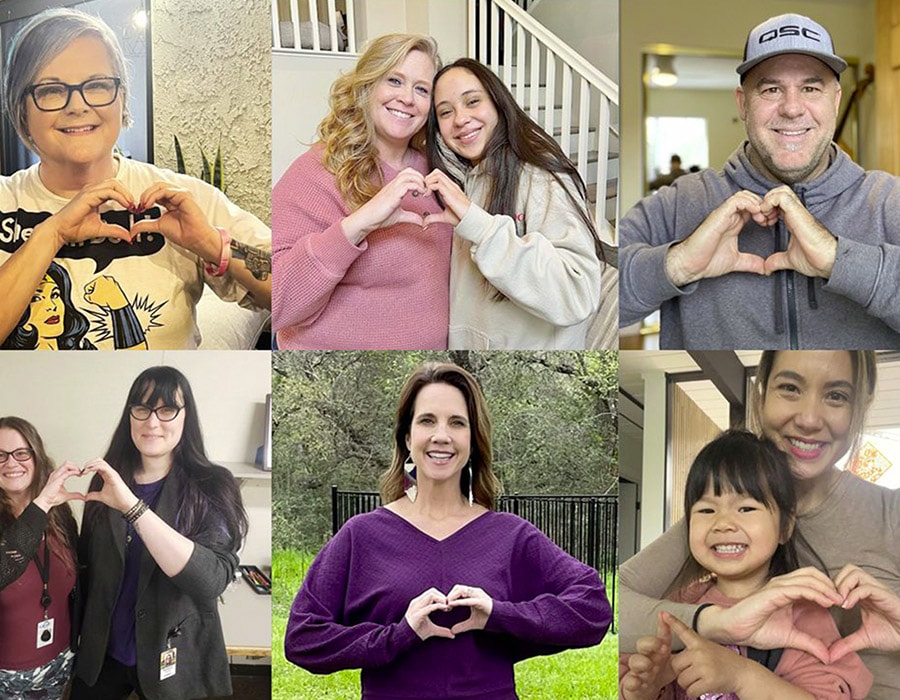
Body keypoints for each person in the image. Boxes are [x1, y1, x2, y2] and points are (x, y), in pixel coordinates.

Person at [285, 362, 611, 698]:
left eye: (457, 423)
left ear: (473, 439)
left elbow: (593, 608)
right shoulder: (361, 536)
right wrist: (398, 634)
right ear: (407, 436)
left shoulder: (510, 536)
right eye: (427, 420)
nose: (441, 435)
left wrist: (498, 615)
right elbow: (303, 638)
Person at [619, 351, 900, 698]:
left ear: (862, 405)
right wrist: (717, 625)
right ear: (761, 393)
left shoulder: (892, 513)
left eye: (836, 395)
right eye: (790, 388)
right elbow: (613, 607)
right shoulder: (716, 526)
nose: (809, 419)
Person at [618, 14, 900, 349]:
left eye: (810, 88)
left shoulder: (889, 201)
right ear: (743, 103)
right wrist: (677, 264)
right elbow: (588, 297)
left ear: (835, 99)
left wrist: (841, 261)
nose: (792, 108)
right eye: (771, 89)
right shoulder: (678, 204)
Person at [0, 8, 271, 351]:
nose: (78, 105)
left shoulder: (185, 198)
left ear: (122, 97)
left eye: (97, 85)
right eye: (52, 90)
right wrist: (51, 233)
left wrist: (211, 244)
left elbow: (297, 292)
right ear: (20, 107)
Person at [619, 430, 872, 699]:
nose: (723, 523)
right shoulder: (679, 604)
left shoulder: (801, 613)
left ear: (785, 527)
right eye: (706, 510)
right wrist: (649, 686)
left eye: (746, 508)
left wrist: (742, 677)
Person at [71, 366, 248, 700]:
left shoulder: (212, 485)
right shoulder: (106, 480)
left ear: (186, 417)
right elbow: (88, 568)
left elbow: (210, 581)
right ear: (130, 415)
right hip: (103, 652)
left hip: (173, 654)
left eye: (167, 410)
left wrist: (133, 508)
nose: (152, 422)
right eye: (142, 408)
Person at [272, 34, 452, 349]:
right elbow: (276, 302)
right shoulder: (318, 169)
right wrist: (358, 224)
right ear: (368, 86)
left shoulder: (438, 170)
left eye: (421, 89)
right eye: (395, 81)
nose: (408, 98)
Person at [426, 58, 605, 349]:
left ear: (498, 103)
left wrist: (481, 227)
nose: (460, 119)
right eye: (445, 112)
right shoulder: (472, 180)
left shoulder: (540, 177)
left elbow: (577, 293)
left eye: (472, 101)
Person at [0, 417, 83, 699]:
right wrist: (42, 503)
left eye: (22, 453)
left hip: (60, 661)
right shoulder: (46, 505)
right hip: (5, 677)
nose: (11, 463)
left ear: (36, 456)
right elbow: (4, 567)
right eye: (0, 455)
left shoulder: (59, 514)